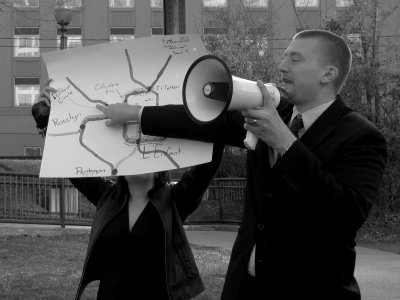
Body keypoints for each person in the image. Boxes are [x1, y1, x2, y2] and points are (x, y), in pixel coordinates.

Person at [96, 29, 387, 299]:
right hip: (245, 289)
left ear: (329, 73)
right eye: (284, 56)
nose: (282, 66)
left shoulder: (360, 136)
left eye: (295, 59)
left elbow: (347, 213)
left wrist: (285, 142)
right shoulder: (273, 114)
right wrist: (137, 113)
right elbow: (201, 123)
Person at [35, 88, 225, 300]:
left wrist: (214, 112)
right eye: (128, 143)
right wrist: (48, 119)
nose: (134, 151)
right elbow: (67, 161)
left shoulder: (174, 200)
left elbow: (208, 165)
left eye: (142, 143)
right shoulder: (107, 196)